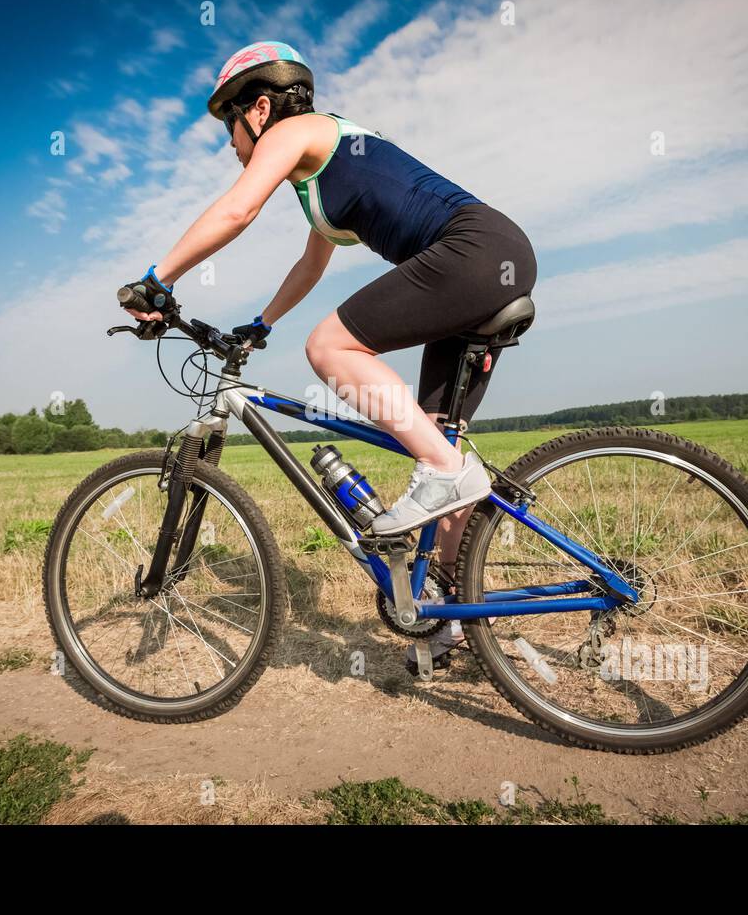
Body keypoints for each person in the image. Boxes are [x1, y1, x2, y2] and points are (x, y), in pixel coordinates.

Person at [126, 41, 537, 670]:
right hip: (490, 257)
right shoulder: (325, 170)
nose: (231, 144)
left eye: (229, 127)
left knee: (330, 346)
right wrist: (259, 324)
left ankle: (445, 474)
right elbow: (310, 265)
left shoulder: (297, 133)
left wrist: (161, 277)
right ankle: (450, 614)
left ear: (259, 109)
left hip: (473, 252)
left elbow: (238, 209)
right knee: (441, 444)